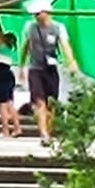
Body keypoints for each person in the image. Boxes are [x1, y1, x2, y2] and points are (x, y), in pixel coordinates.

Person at [20, 7, 78, 146]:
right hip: (35, 68)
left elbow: (65, 45)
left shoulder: (58, 27)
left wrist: (71, 61)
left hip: (51, 69)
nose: (36, 15)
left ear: (47, 12)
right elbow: (26, 46)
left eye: (38, 13)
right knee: (40, 102)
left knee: (51, 102)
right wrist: (22, 65)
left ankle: (49, 131)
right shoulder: (30, 27)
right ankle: (43, 134)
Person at [0, 34, 22, 138]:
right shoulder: (7, 50)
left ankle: (6, 130)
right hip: (6, 76)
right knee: (9, 103)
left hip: (1, 75)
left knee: (3, 104)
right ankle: (17, 127)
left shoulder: (2, 47)